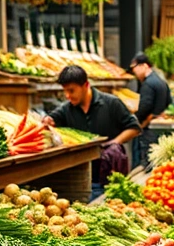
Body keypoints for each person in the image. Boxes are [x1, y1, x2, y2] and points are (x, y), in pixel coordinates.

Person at [41, 65, 141, 200]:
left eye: (71, 90)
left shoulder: (111, 103)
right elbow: (51, 119)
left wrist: (114, 143)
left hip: (110, 176)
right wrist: (48, 120)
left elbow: (134, 128)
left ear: (86, 85)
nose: (67, 96)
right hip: (81, 180)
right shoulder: (66, 109)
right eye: (65, 91)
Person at [128, 52, 172, 165]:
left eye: (135, 68)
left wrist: (134, 120)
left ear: (144, 66)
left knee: (147, 162)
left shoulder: (148, 84)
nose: (134, 72)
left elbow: (145, 106)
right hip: (158, 126)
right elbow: (169, 101)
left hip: (148, 129)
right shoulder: (161, 81)